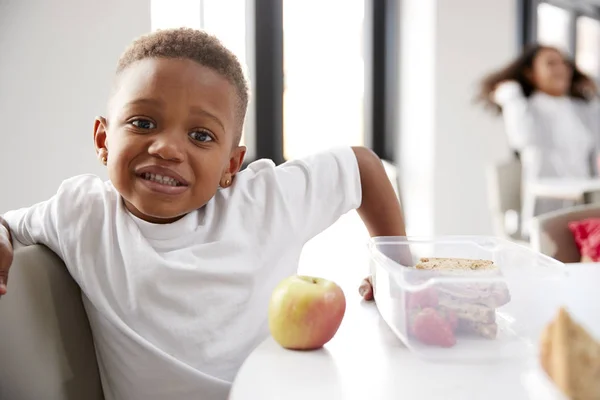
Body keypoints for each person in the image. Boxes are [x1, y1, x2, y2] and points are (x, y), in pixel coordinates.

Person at [0, 28, 393, 399]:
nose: (167, 149)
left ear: (231, 165)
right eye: (143, 123)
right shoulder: (82, 213)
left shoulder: (262, 202)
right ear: (104, 140)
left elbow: (361, 166)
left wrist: (391, 262)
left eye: (201, 135)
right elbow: (8, 223)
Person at [477, 44, 600, 237]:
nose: (561, 69)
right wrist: (511, 97)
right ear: (531, 74)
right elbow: (522, 139)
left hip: (586, 203)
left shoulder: (583, 108)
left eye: (565, 63)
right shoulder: (528, 108)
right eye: (551, 63)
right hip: (546, 206)